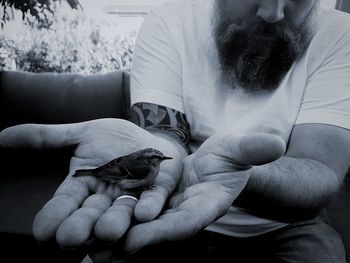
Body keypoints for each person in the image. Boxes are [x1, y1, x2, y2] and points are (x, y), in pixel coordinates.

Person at [0, 0, 349, 262]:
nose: (272, 12)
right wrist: (160, 157)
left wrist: (238, 174)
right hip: (171, 206)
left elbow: (318, 170)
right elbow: (162, 136)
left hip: (287, 227)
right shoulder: (170, 21)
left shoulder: (339, 36)